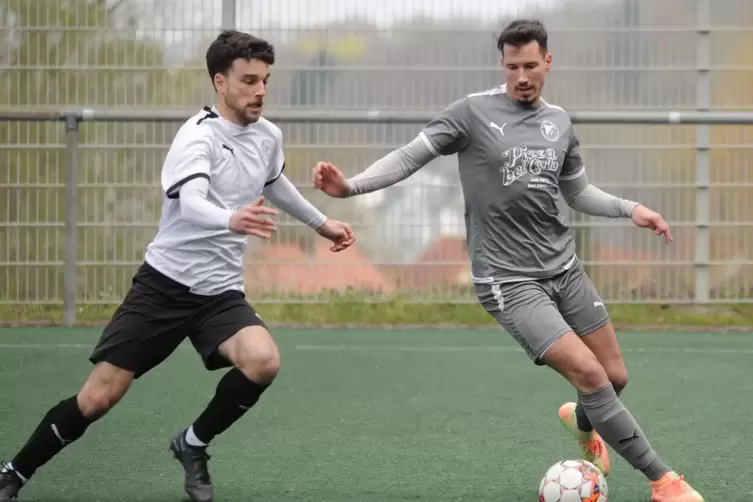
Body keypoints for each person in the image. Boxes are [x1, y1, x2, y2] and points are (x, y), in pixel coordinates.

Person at [312, 19, 703, 502]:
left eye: (531, 66)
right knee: (590, 376)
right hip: (509, 281)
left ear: (547, 63)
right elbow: (409, 156)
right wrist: (351, 187)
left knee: (614, 377)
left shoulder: (558, 122)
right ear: (503, 65)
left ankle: (585, 428)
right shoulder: (472, 114)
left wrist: (631, 210)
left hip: (565, 270)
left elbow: (577, 192)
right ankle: (664, 482)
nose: (522, 75)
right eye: (513, 66)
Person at [0, 30, 355, 502]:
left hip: (219, 293)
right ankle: (15, 472)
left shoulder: (268, 135)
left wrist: (321, 222)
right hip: (163, 287)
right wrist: (231, 218)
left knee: (263, 360)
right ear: (220, 81)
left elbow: (274, 182)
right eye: (248, 80)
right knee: (97, 398)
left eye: (265, 80)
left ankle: (192, 443)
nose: (260, 91)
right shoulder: (197, 136)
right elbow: (190, 203)